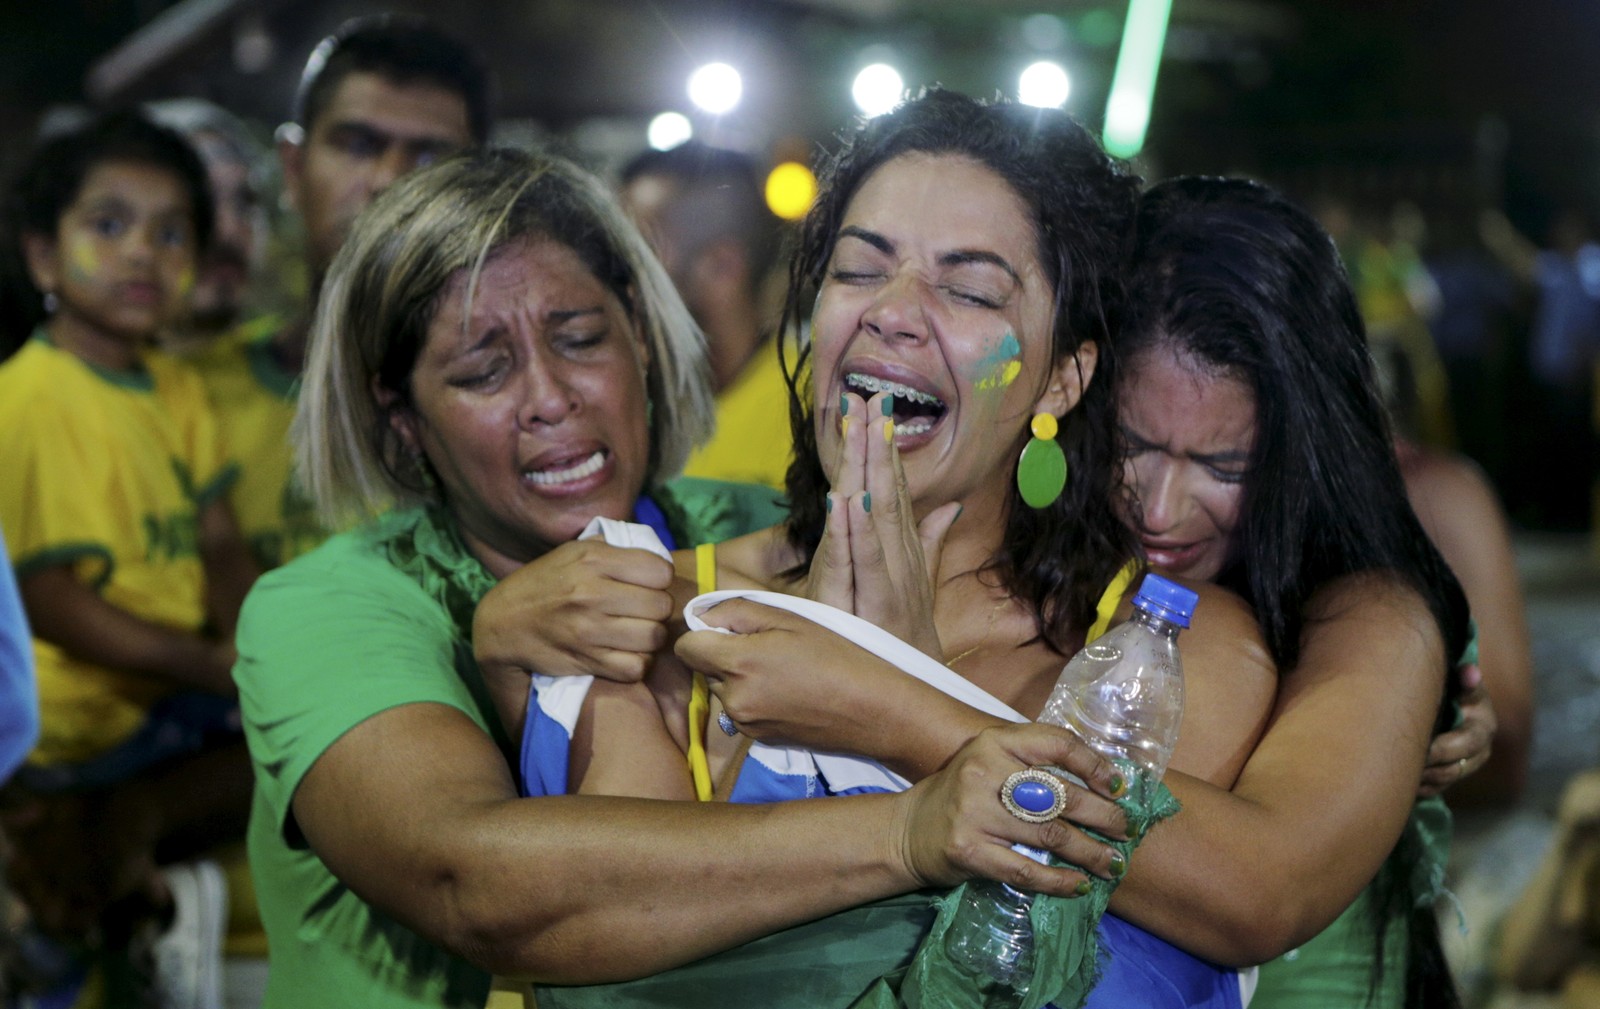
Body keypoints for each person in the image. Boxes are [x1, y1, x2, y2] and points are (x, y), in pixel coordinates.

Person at [231, 145, 1121, 1009]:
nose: (550, 398)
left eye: (579, 339)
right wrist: (911, 827)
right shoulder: (327, 605)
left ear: (644, 336)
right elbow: (471, 878)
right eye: (482, 371)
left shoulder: (751, 533)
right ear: (401, 422)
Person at [488, 90, 1275, 1008]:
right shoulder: (649, 609)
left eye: (971, 289)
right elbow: (580, 943)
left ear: (1063, 375)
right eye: (859, 271)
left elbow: (1188, 925)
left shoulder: (1162, 654)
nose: (893, 314)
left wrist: (898, 696)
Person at [1111, 176, 1471, 1007]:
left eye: (1224, 466)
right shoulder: (1056, 555)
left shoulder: (1371, 608)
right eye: (1131, 444)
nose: (1161, 510)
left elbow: (1262, 889)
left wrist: (916, 718)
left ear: (1300, 450)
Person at [0, 109, 259, 1008]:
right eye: (107, 226)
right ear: (42, 256)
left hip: (165, 699)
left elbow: (223, 539)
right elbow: (50, 599)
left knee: (297, 715)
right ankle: (80, 926)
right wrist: (208, 664)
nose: (142, 253)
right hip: (81, 725)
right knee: (263, 760)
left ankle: (117, 907)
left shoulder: (175, 386)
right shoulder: (35, 397)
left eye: (170, 231)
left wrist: (250, 641)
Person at [198, 14, 491, 573]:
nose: (387, 179)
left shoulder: (523, 406)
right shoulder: (192, 394)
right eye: (357, 145)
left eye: (429, 156)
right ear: (292, 168)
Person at [619, 142, 792, 490]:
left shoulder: (817, 406)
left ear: (722, 266)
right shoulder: (636, 408)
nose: (620, 276)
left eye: (642, 250)